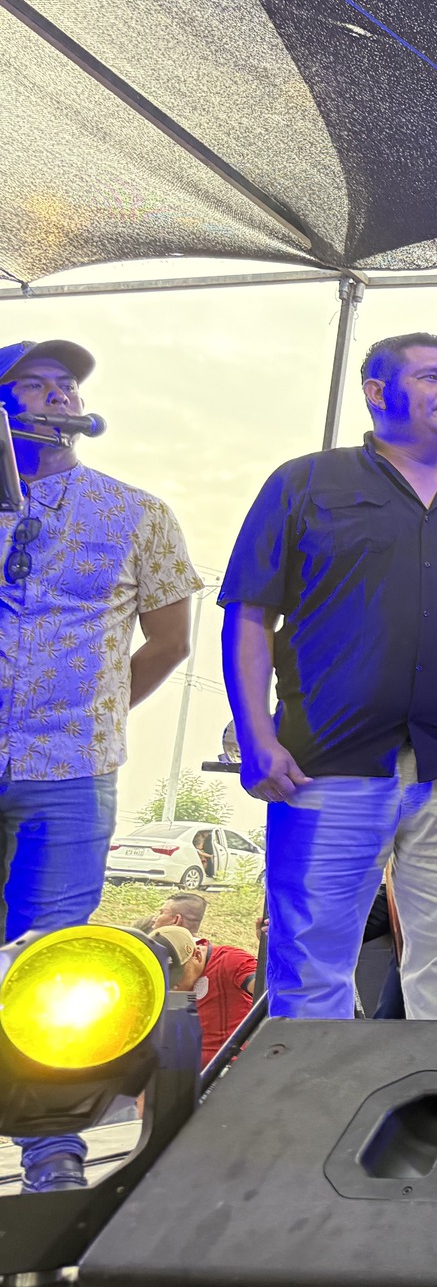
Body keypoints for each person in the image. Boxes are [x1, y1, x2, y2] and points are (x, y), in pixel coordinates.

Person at [220, 331, 437, 1022]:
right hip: (323, 766)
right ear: (376, 392)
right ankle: (312, 1097)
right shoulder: (305, 483)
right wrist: (256, 736)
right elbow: (249, 616)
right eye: (430, 376)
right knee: (310, 965)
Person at [0, 338, 200, 1192]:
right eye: (34, 384)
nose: (58, 396)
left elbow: (171, 640)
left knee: (51, 958)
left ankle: (51, 1153)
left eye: (68, 385)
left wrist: (99, 714)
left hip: (72, 772)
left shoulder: (137, 512)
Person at [148, 924, 259, 1065]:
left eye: (177, 975)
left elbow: (267, 989)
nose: (172, 986)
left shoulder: (230, 961)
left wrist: (275, 946)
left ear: (197, 955)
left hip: (231, 1067)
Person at [134, 890, 208, 935]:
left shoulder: (157, 950)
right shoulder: (204, 952)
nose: (154, 919)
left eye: (161, 913)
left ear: (176, 920)